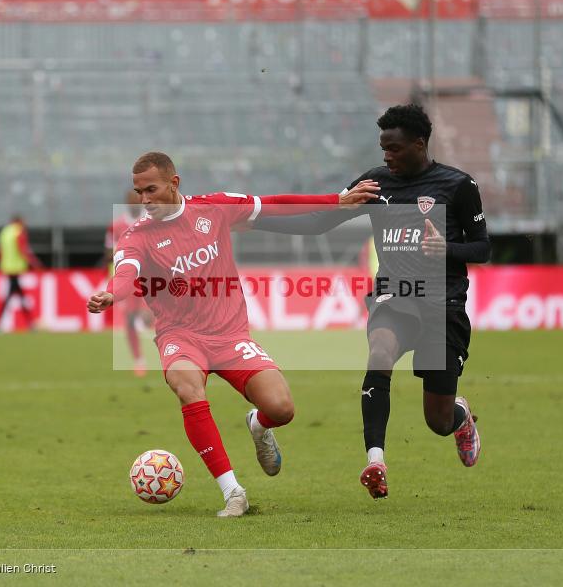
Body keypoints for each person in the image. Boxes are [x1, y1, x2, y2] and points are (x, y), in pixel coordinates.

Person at [87, 151, 378, 517]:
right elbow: (126, 272)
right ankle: (233, 492)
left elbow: (274, 205)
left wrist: (335, 200)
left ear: (174, 184)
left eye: (151, 190)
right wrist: (112, 293)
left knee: (282, 409)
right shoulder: (137, 236)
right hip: (181, 336)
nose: (144, 200)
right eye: (137, 192)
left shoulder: (216, 209)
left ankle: (258, 425)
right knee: (186, 386)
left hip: (229, 335)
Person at [253, 104, 490, 499]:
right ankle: (375, 461)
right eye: (383, 148)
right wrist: (255, 218)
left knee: (438, 419)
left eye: (394, 148)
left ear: (419, 144)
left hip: (443, 304)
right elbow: (318, 222)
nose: (386, 156)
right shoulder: (375, 184)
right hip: (396, 294)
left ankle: (461, 419)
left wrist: (447, 248)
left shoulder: (458, 185)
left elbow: (482, 249)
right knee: (379, 353)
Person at [105, 189, 149, 377]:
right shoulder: (117, 226)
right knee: (130, 321)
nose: (134, 203)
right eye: (130, 200)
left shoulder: (152, 220)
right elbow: (109, 251)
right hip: (128, 280)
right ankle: (138, 359)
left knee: (153, 317)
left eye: (136, 199)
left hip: (151, 277)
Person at [0, 215, 43, 332]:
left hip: (7, 268)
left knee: (18, 295)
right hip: (15, 268)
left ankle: (30, 324)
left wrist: (1, 263)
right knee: (15, 296)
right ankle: (29, 324)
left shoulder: (4, 232)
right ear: (18, 221)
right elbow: (23, 250)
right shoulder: (18, 232)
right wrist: (35, 263)